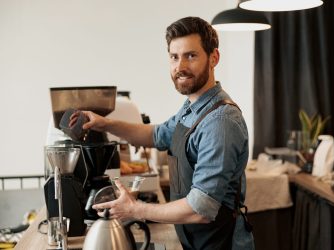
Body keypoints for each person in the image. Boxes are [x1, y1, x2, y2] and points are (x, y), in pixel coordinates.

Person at [72, 16, 254, 250]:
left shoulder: (221, 122)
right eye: (174, 57)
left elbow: (201, 208)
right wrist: (104, 124)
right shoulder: (192, 108)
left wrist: (136, 209)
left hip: (221, 243)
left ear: (214, 58)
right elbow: (156, 135)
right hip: (195, 240)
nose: (180, 67)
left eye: (191, 55)